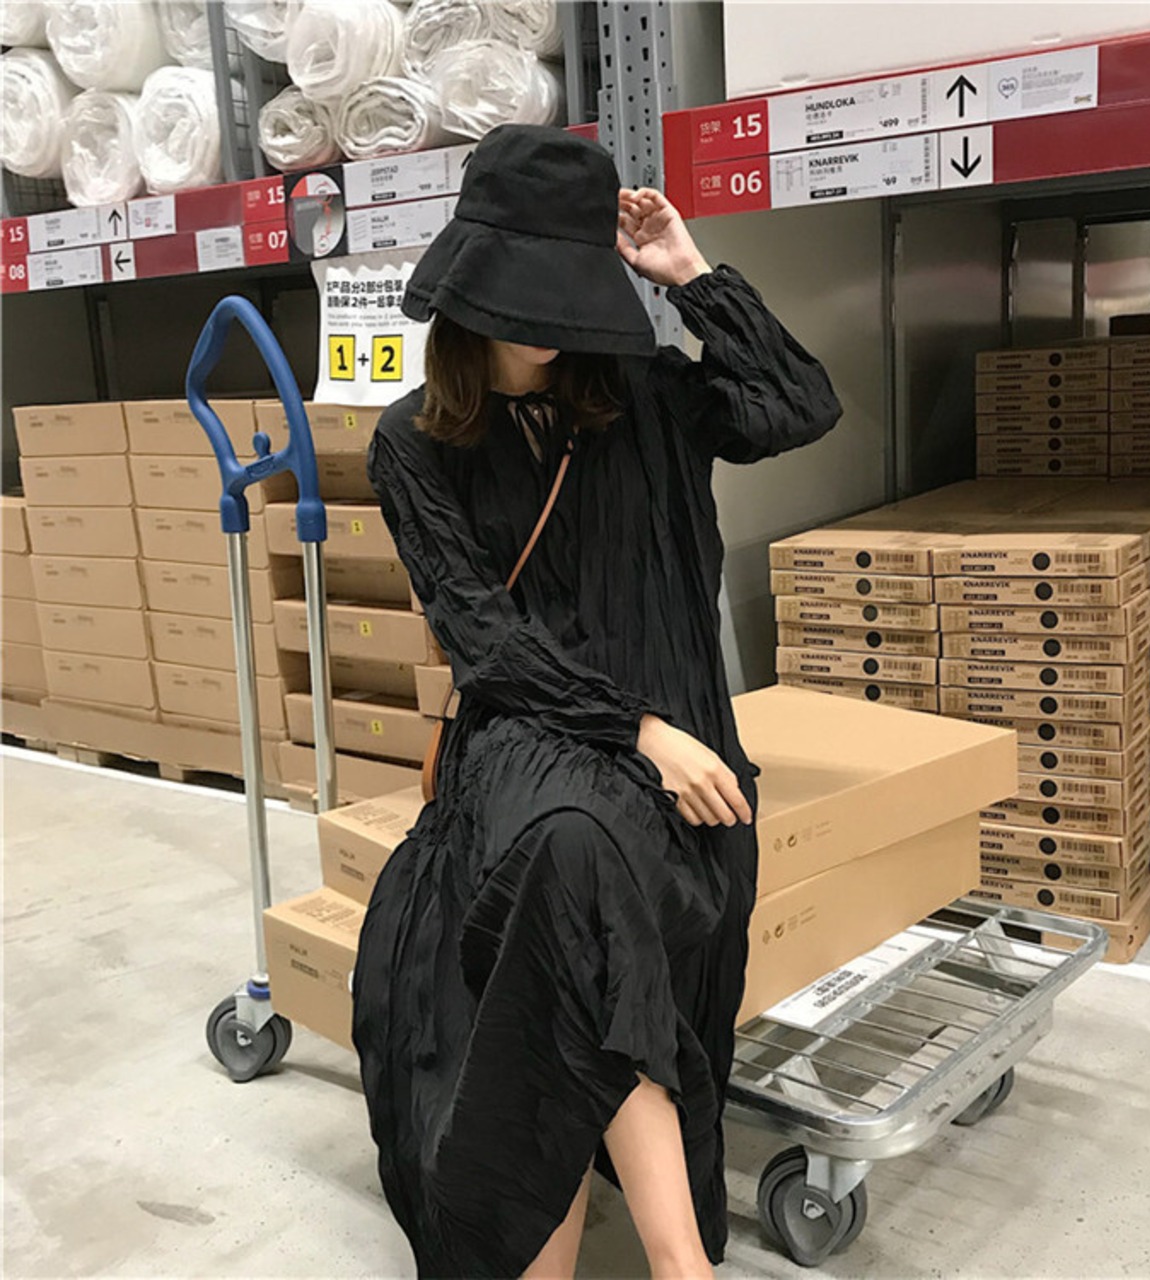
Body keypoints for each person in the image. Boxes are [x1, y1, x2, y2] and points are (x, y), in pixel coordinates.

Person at [353, 124, 842, 1279]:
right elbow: (485, 642)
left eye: (563, 288)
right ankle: (682, 1264)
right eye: (518, 290)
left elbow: (800, 403)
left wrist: (689, 274)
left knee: (569, 894)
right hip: (529, 737)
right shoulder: (411, 442)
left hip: (678, 758)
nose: (540, 320)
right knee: (566, 852)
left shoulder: (649, 399)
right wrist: (636, 730)